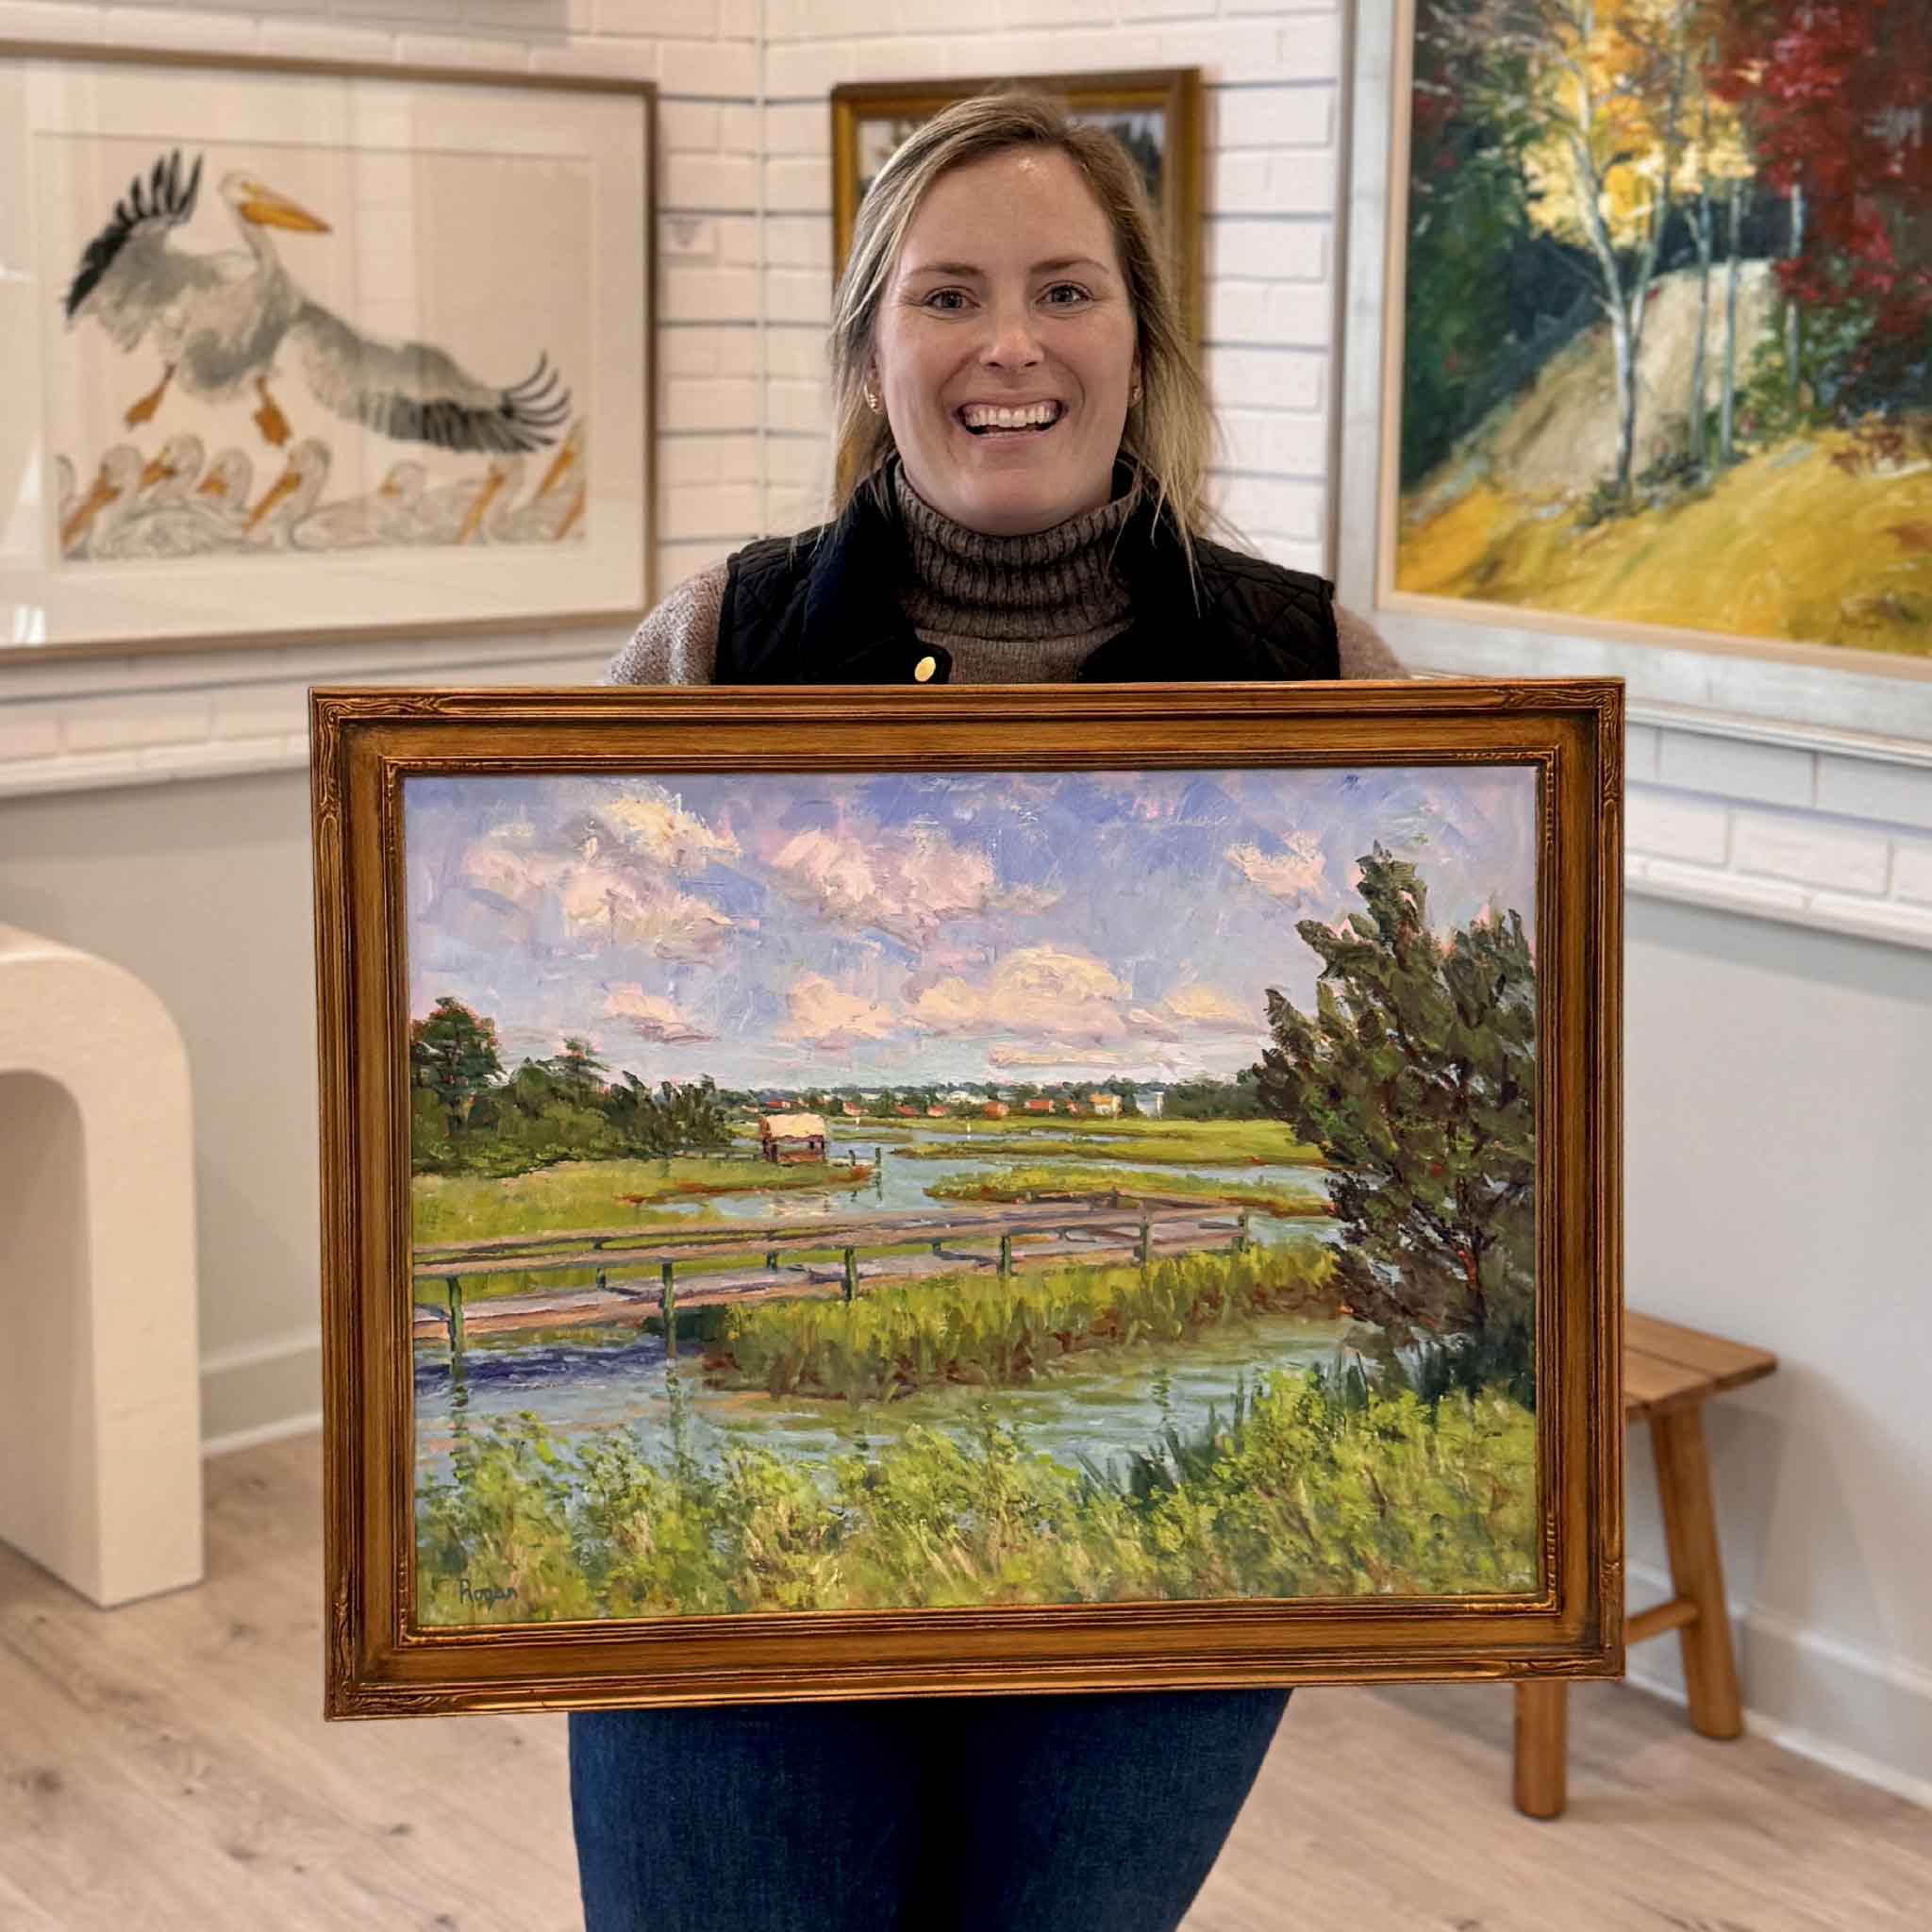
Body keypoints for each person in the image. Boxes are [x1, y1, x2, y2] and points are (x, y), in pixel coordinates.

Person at [575, 91, 1400, 1932]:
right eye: (946, 295)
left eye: (1062, 290)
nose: (1007, 343)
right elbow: (589, 988)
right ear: (874, 349)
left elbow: (1406, 1094)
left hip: (1174, 1589)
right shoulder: (717, 645)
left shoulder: (1314, 669)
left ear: (1139, 342)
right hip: (730, 1558)